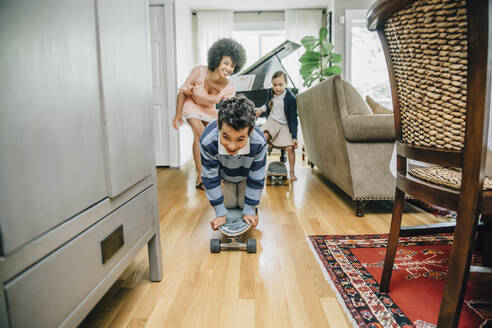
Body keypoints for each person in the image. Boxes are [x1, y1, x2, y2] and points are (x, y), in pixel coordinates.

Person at [173, 38, 246, 190]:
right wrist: (178, 114)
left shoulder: (229, 88)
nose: (229, 68)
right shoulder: (199, 71)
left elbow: (227, 110)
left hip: (210, 111)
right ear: (217, 58)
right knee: (199, 133)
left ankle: (215, 173)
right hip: (191, 105)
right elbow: (182, 92)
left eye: (233, 66)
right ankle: (200, 177)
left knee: (211, 138)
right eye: (226, 62)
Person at [200, 97, 267, 231]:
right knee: (229, 205)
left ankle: (249, 205)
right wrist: (219, 212)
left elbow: (257, 178)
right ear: (219, 126)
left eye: (240, 139)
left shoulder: (259, 142)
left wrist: (249, 209)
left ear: (251, 131)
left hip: (246, 178)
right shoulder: (208, 141)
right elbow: (210, 179)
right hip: (225, 178)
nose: (231, 146)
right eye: (226, 137)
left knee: (245, 205)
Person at [256, 71, 299, 181]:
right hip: (272, 121)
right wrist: (261, 110)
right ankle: (258, 169)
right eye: (275, 85)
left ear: (286, 84)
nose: (277, 88)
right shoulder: (271, 92)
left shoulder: (291, 98)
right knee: (262, 139)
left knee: (290, 148)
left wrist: (294, 137)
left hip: (285, 124)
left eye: (280, 85)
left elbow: (294, 118)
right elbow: (268, 104)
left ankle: (292, 172)